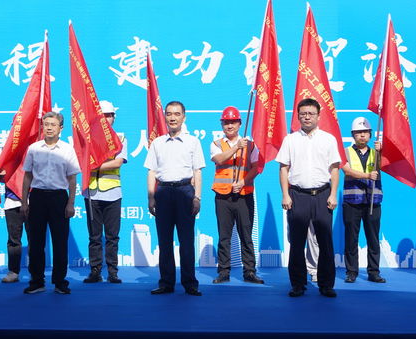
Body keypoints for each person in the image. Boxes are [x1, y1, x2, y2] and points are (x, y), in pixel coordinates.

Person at [276, 98, 341, 298]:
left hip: (323, 195)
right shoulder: (290, 139)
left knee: (325, 242)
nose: (307, 117)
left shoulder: (328, 139)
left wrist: (333, 194)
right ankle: (298, 284)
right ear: (297, 116)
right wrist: (285, 195)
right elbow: (283, 168)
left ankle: (326, 285)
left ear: (318, 116)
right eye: (303, 113)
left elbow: (335, 169)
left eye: (311, 113)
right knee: (297, 243)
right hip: (298, 196)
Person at [144, 101, 205, 296]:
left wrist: (197, 197)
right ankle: (166, 282)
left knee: (186, 241)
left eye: (177, 114)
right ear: (165, 117)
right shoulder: (157, 143)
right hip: (163, 192)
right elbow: (151, 172)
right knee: (164, 241)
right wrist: (151, 197)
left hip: (185, 191)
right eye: (169, 114)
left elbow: (197, 171)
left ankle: (190, 283)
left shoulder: (192, 142)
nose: (172, 118)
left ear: (183, 117)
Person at [22, 112, 81, 295]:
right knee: (36, 242)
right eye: (46, 124)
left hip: (59, 198)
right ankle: (37, 281)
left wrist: (71, 203)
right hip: (37, 197)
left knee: (60, 242)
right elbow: (27, 176)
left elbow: (72, 179)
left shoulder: (67, 149)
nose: (48, 128)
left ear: (60, 128)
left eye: (53, 125)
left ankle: (60, 282)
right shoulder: (33, 149)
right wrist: (24, 202)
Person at [210, 106, 263, 285]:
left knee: (246, 236)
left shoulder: (251, 145)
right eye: (226, 122)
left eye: (233, 122)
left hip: (243, 195)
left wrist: (243, 181)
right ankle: (223, 272)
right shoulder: (216, 144)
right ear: (222, 124)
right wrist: (236, 148)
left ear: (240, 124)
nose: (229, 125)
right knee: (224, 236)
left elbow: (256, 167)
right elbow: (218, 159)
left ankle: (249, 272)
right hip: (222, 197)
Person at [82, 100, 127, 284]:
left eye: (109, 115)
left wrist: (94, 166)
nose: (106, 119)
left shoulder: (120, 138)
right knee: (94, 236)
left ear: (114, 118)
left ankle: (112, 272)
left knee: (112, 236)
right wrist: (91, 165)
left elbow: (118, 162)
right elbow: (82, 161)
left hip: (113, 193)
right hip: (92, 193)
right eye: (102, 115)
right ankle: (95, 271)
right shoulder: (88, 139)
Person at [341, 117, 385, 284]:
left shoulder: (377, 153)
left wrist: (381, 152)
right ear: (353, 135)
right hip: (352, 201)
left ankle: (374, 272)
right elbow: (346, 170)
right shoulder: (345, 152)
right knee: (351, 238)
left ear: (370, 134)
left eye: (365, 132)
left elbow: (384, 167)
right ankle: (351, 272)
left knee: (373, 239)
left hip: (373, 201)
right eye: (358, 132)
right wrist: (367, 175)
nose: (362, 135)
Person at [0, 170, 28, 284]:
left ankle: (37, 273)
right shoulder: (9, 158)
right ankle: (13, 272)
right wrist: (1, 174)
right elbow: (1, 178)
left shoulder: (35, 157)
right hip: (12, 201)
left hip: (33, 200)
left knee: (35, 240)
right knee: (13, 239)